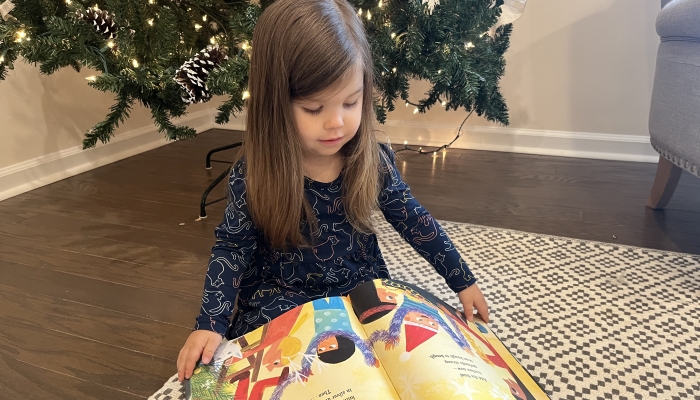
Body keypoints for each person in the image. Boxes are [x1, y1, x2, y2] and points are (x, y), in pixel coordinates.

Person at [177, 0, 489, 382]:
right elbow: (232, 248)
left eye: (351, 102)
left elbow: (414, 219)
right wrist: (210, 322)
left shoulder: (370, 158)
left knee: (398, 349)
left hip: (359, 287)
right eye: (313, 108)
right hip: (283, 292)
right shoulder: (253, 173)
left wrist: (463, 279)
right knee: (290, 369)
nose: (336, 123)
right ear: (276, 104)